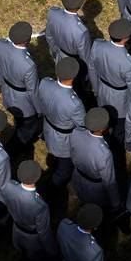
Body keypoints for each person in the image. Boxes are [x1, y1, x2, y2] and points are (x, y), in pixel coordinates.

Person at [89, 19, 131, 146]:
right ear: (126, 38)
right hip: (120, 100)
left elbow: (92, 69)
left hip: (102, 90)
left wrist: (96, 89)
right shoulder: (129, 63)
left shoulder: (97, 45)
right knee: (119, 127)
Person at [37, 57, 86, 187]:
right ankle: (50, 189)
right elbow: (82, 126)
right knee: (64, 169)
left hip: (48, 127)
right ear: (74, 77)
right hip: (63, 139)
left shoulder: (45, 83)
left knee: (54, 155)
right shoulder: (75, 103)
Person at [0, 21, 42, 154]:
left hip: (7, 92)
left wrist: (1, 87)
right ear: (27, 40)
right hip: (24, 103)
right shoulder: (28, 65)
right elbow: (33, 91)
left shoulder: (0, 45)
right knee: (27, 129)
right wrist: (39, 110)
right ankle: (9, 153)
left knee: (19, 120)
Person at [3, 161, 57, 261]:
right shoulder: (40, 206)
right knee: (32, 260)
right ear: (37, 177)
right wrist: (52, 251)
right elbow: (44, 233)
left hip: (16, 230)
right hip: (32, 240)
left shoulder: (9, 186)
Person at [71, 107, 121, 215]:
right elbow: (109, 182)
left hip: (77, 177)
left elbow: (72, 152)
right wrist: (116, 203)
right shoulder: (104, 154)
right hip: (94, 190)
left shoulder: (76, 132)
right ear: (103, 129)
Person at [46, 0, 93, 71]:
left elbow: (49, 36)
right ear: (80, 5)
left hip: (59, 55)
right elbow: (85, 57)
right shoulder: (81, 32)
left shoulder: (53, 13)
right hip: (74, 63)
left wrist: (55, 51)